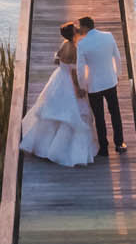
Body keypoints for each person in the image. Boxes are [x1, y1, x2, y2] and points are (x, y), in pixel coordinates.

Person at [19, 21, 96, 166]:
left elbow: (57, 58)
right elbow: (74, 72)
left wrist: (63, 65)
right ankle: (61, 151)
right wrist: (78, 88)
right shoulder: (74, 48)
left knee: (53, 109)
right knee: (75, 113)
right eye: (75, 29)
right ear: (73, 33)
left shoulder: (64, 44)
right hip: (69, 82)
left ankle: (44, 145)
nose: (78, 29)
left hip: (59, 77)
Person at [71, 14, 125, 157]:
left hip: (94, 86)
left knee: (99, 117)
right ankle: (119, 143)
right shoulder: (108, 36)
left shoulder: (82, 44)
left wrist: (82, 86)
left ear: (85, 27)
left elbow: (81, 69)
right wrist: (117, 74)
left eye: (79, 26)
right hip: (110, 82)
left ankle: (104, 148)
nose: (78, 29)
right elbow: (117, 57)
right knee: (115, 113)